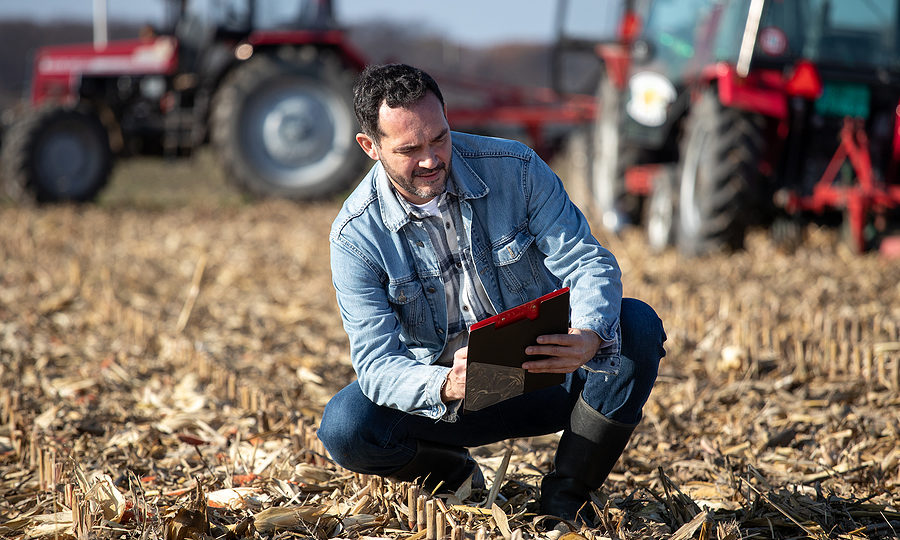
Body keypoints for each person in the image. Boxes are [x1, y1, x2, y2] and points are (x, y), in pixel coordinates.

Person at [317, 63, 666, 524]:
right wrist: (445, 384)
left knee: (634, 326)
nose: (431, 159)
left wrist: (586, 334)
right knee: (346, 426)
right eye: (409, 149)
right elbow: (377, 366)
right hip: (451, 401)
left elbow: (587, 262)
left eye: (439, 138)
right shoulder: (355, 237)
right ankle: (455, 475)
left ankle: (567, 497)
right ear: (370, 147)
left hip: (547, 374)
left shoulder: (516, 169)